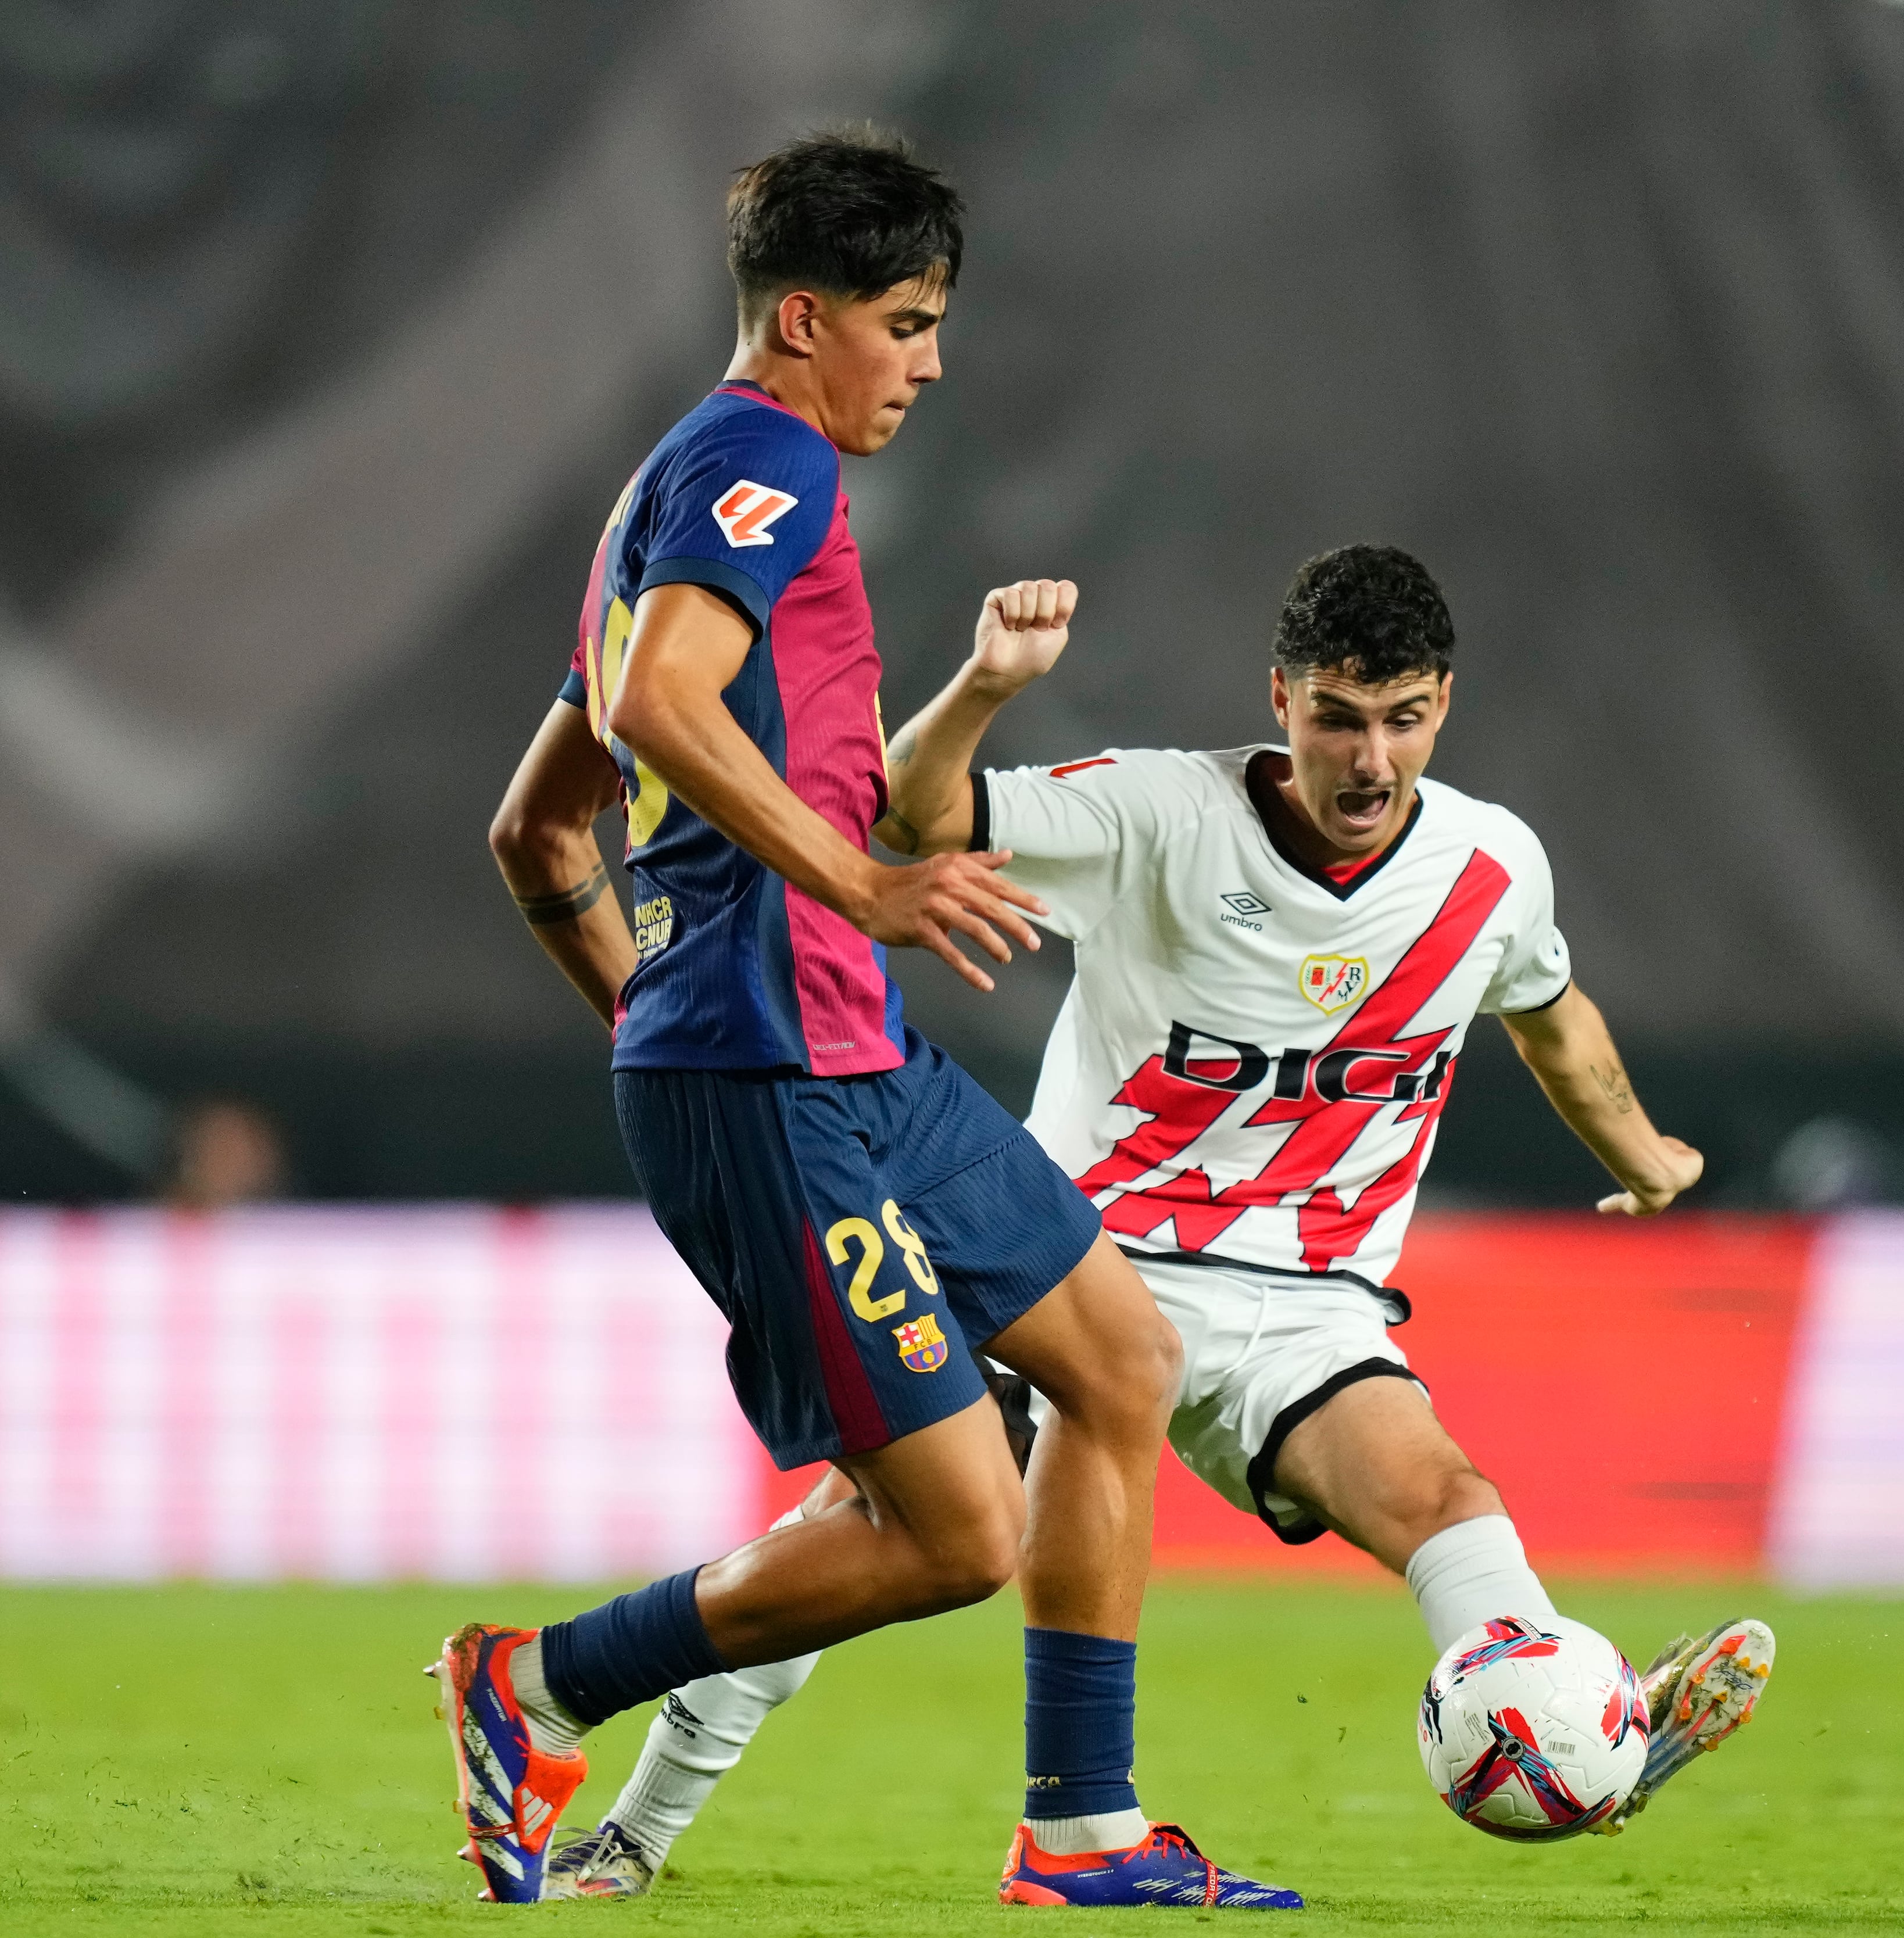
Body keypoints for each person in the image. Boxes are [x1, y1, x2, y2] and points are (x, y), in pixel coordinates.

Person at [542, 543, 1778, 1900]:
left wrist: (1644, 1152)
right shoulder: (1162, 811)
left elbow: (1552, 1015)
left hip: (1309, 1306)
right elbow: (910, 823)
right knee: (871, 1528)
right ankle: (637, 1831)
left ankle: (1565, 1726)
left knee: (1449, 1498)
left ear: (1445, 705)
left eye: (1406, 716)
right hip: (1077, 1263)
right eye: (1339, 716)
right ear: (1281, 698)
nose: (1372, 758)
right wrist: (981, 688)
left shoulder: (1492, 866)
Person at [470, 128, 1293, 1910]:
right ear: (801, 318)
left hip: (828, 1057)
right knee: (954, 1534)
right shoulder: (761, 455)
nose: (927, 361)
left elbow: (541, 822)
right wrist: (850, 894)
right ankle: (533, 1685)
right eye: (906, 322)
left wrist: (647, 1011)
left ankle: (1080, 1826)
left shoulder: (670, 495)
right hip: (776, 1071)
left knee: (1117, 1358)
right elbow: (656, 702)